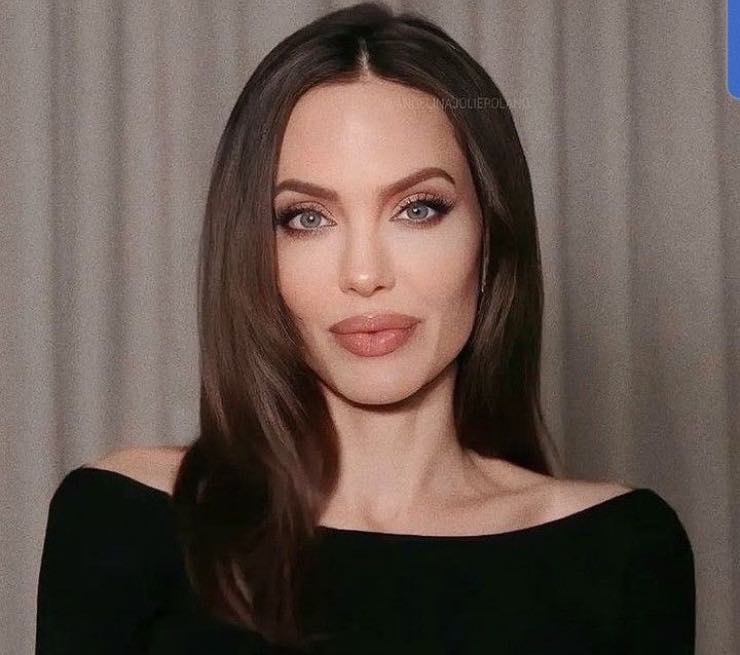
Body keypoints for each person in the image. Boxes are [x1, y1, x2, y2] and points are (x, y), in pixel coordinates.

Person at [35, 2, 696, 654]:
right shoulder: (123, 520)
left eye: (418, 208)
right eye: (307, 218)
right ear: (254, 253)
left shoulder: (622, 553)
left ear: (491, 238)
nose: (364, 273)